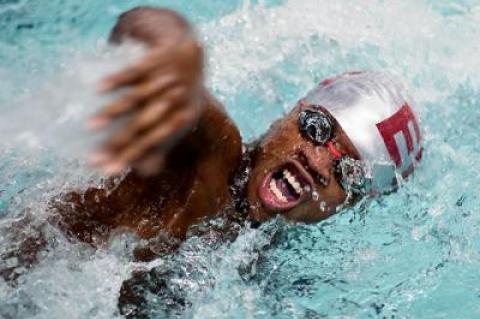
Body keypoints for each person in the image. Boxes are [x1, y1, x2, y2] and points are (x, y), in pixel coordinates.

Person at [1, 6, 423, 311]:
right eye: (317, 128)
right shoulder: (209, 151)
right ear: (290, 114)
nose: (317, 161)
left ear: (345, 206)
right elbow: (160, 50)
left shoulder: (261, 249)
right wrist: (170, 55)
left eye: (346, 171)